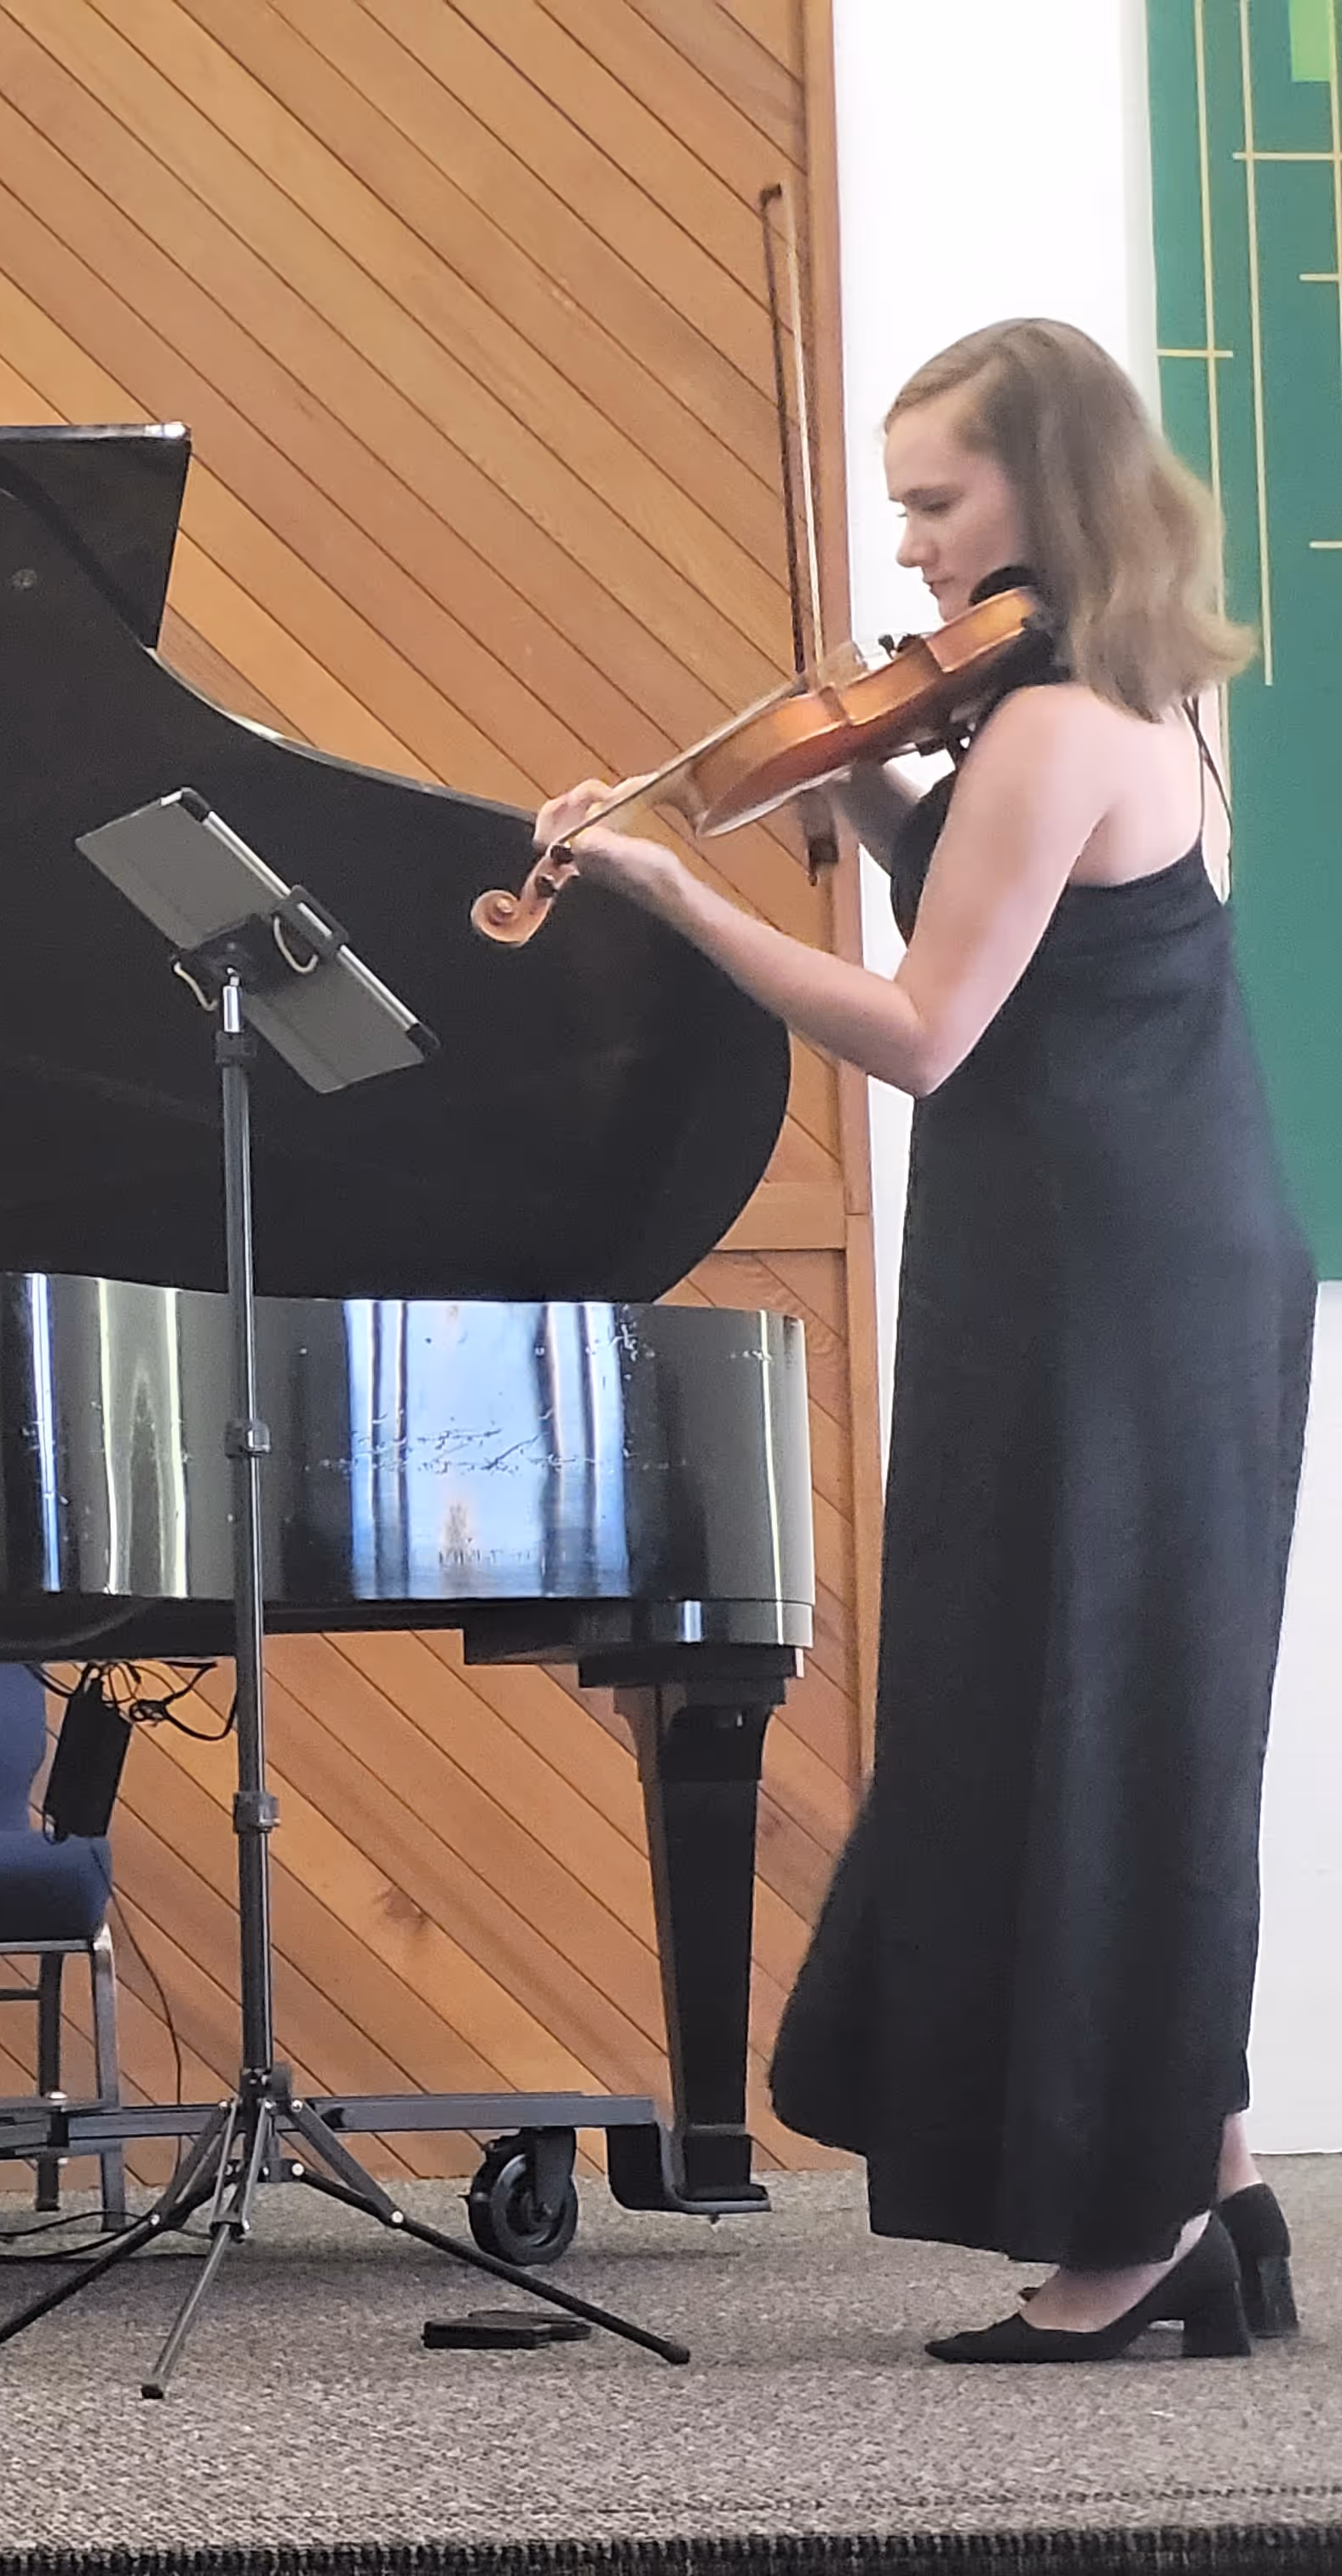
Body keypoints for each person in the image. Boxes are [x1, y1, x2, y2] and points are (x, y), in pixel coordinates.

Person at [535, 317, 1311, 2364]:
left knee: (1092, 1720)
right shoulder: (1083, 707)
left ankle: (1122, 2249)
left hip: (1111, 1284)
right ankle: (1215, 2200)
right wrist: (865, 777)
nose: (908, 553)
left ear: (1043, 495)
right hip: (1123, 1259)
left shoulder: (1055, 729)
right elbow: (1001, 925)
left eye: (934, 502)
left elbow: (922, 1030)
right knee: (1122, 1715)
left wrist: (673, 893)